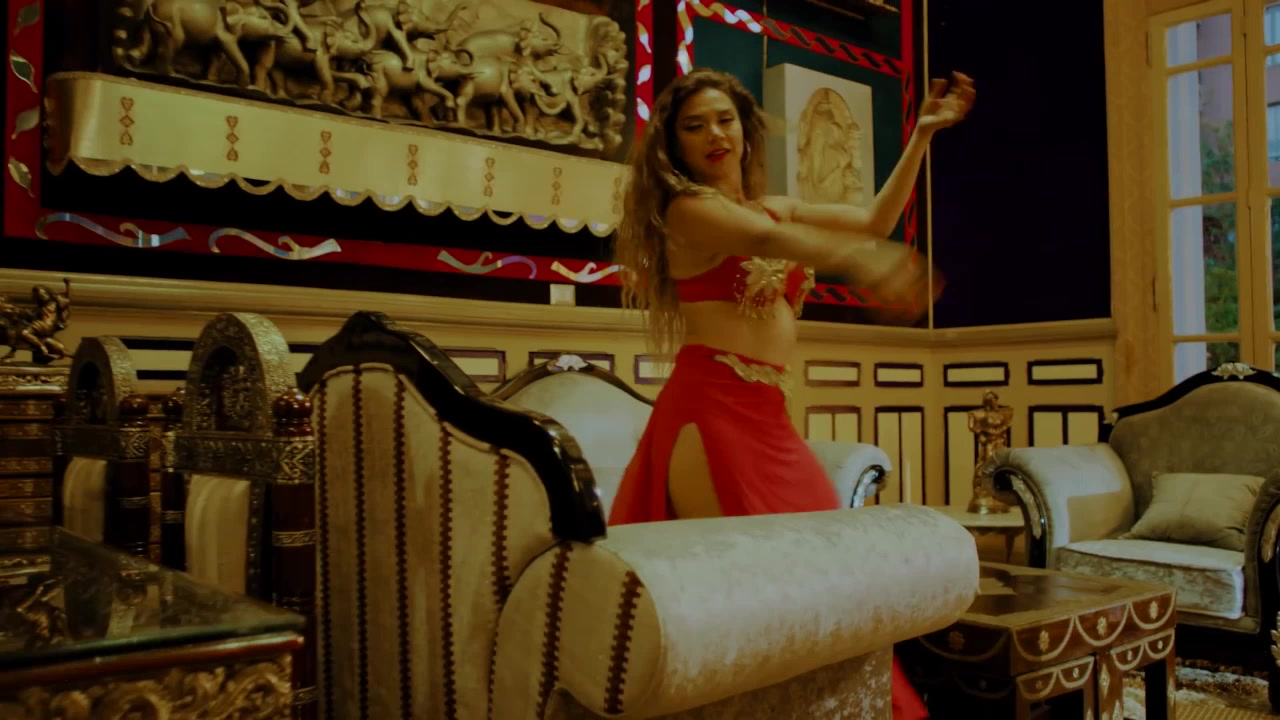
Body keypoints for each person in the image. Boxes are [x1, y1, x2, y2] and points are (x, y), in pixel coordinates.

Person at [607, 67, 975, 719]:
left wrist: (920, 136)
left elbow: (871, 220)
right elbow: (768, 242)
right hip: (710, 414)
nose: (715, 134)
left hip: (768, 418)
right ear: (674, 143)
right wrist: (861, 262)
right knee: (746, 597)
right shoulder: (687, 211)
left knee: (826, 588)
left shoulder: (771, 206)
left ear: (745, 130)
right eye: (695, 126)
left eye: (725, 119)